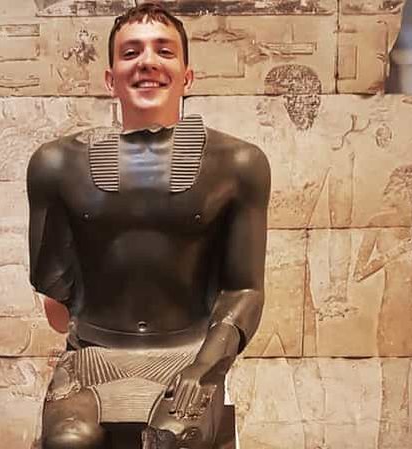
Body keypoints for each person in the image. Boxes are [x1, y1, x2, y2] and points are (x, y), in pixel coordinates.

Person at [27, 3, 270, 447]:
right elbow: (58, 309)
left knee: (172, 438)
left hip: (188, 353)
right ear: (110, 78)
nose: (147, 62)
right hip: (93, 356)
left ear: (187, 76)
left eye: (164, 51)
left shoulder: (237, 164)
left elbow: (245, 290)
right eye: (131, 52)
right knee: (68, 442)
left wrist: (204, 368)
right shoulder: (57, 164)